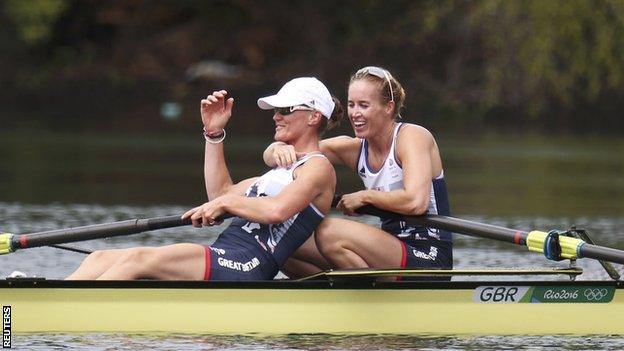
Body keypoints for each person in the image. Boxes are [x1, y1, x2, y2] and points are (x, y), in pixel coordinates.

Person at [66, 77, 343, 280]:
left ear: (313, 116)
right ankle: (51, 305)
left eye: (285, 110)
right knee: (99, 257)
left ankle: (71, 318)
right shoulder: (275, 173)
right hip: (226, 253)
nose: (276, 117)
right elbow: (221, 194)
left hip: (250, 263)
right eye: (275, 110)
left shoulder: (318, 168)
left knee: (138, 259)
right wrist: (213, 134)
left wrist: (227, 206)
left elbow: (276, 210)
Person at [263, 66, 452, 278]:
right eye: (352, 105)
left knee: (329, 232)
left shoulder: (413, 137)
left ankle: (375, 298)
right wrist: (278, 150)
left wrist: (365, 196)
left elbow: (416, 202)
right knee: (282, 238)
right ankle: (328, 295)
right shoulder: (353, 148)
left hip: (428, 255)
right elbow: (278, 154)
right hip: (390, 250)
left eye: (364, 105)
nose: (355, 113)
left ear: (388, 107)